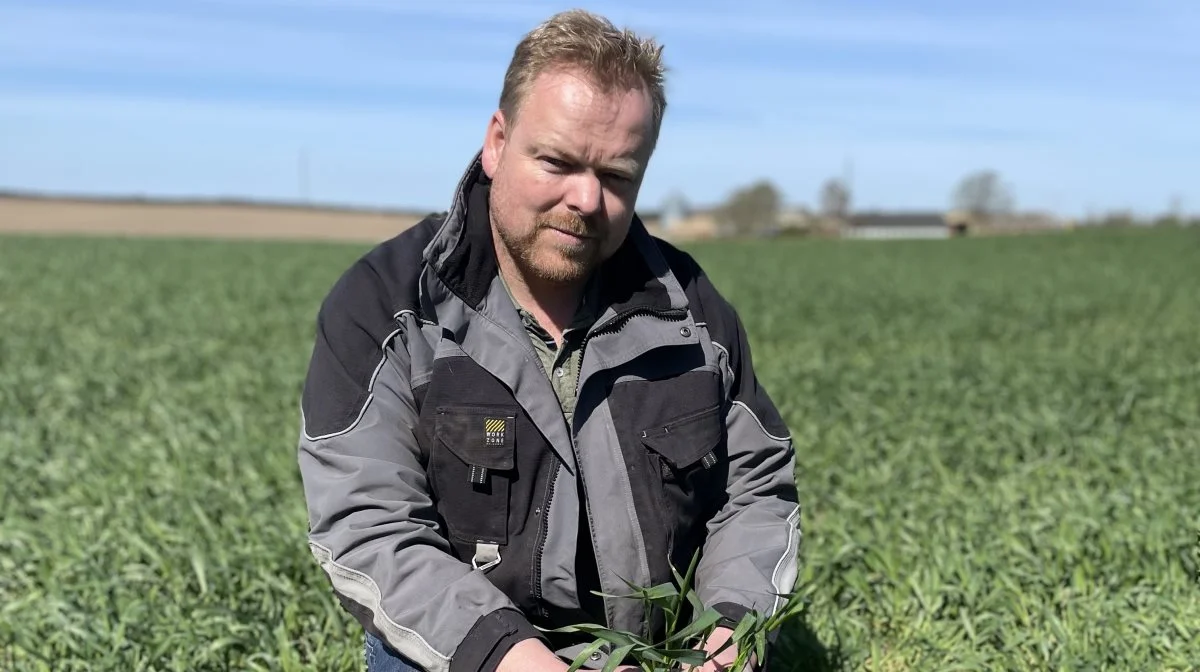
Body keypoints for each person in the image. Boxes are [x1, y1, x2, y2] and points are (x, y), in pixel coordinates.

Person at [296, 9, 800, 672]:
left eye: (617, 176)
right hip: (465, 652)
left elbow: (754, 491)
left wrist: (725, 636)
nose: (586, 200)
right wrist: (519, 659)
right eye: (558, 162)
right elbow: (370, 528)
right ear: (497, 142)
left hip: (657, 655)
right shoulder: (388, 306)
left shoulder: (690, 311)